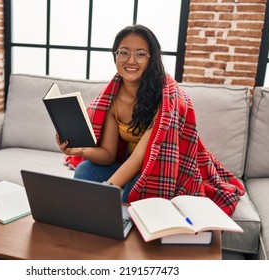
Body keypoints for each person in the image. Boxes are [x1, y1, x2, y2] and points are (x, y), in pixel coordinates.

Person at [57, 24, 245, 216]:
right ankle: (80, 224)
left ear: (151, 59)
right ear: (115, 56)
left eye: (140, 54)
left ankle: (119, 232)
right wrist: (80, 150)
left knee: (136, 192)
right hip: (129, 163)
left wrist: (107, 187)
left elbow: (140, 156)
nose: (130, 60)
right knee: (84, 170)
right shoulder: (112, 97)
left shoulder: (166, 98)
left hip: (164, 167)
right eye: (123, 52)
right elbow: (108, 154)